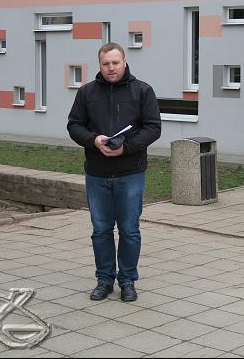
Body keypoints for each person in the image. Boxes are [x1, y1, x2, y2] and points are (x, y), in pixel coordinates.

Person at [67, 42, 161, 302]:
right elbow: (74, 125)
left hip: (130, 172)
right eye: (106, 64)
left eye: (115, 63)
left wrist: (126, 148)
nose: (111, 68)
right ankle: (104, 279)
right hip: (97, 172)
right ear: (100, 65)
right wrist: (94, 140)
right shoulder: (87, 93)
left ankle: (128, 280)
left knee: (130, 230)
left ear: (125, 62)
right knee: (101, 229)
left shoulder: (142, 91)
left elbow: (153, 128)